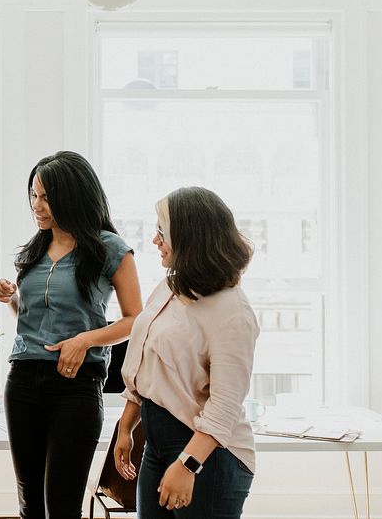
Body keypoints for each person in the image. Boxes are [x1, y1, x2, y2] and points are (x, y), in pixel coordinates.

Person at [0, 150, 142, 519]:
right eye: (33, 195)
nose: (37, 206)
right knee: (30, 502)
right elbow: (31, 318)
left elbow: (136, 320)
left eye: (46, 197)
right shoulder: (33, 250)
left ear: (72, 196)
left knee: (62, 504)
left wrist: (85, 340)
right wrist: (13, 299)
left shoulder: (109, 248)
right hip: (24, 378)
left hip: (76, 384)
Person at [114, 187, 259, 518]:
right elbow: (145, 365)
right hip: (158, 444)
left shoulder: (232, 312)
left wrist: (188, 463)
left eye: (162, 232)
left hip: (209, 454)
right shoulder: (172, 285)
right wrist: (126, 427)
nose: (154, 240)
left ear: (191, 238)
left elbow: (224, 406)